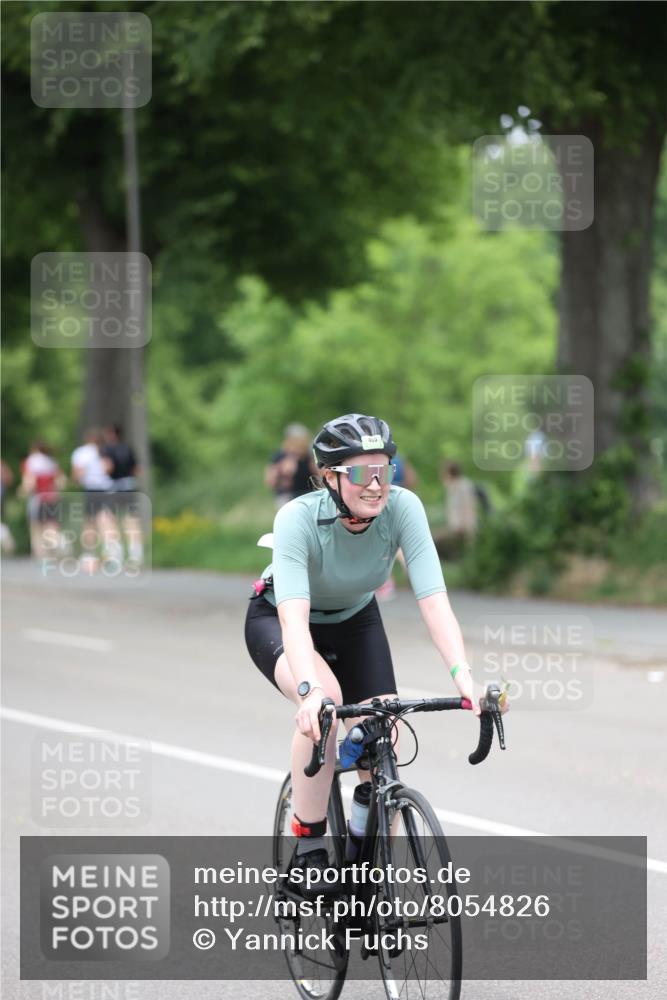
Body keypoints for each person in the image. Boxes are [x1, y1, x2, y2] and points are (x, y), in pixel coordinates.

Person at [245, 414, 490, 890]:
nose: (376, 485)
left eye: (385, 471)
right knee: (327, 705)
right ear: (330, 477)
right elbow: (295, 620)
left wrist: (464, 677)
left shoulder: (405, 508)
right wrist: (309, 691)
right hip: (280, 618)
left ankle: (364, 867)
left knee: (387, 730)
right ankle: (310, 848)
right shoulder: (297, 519)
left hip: (356, 620)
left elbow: (434, 601)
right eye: (361, 473)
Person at [101, 424, 143, 566]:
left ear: (111, 434)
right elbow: (137, 470)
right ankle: (136, 554)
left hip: (115, 487)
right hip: (130, 486)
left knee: (109, 520)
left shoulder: (107, 449)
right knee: (131, 521)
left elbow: (108, 467)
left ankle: (115, 555)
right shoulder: (128, 448)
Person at [19, 442, 66, 559]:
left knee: (36, 526)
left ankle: (40, 554)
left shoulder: (31, 461)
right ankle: (58, 545)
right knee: (51, 524)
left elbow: (30, 481)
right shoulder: (51, 461)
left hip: (37, 497)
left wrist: (23, 491)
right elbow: (61, 480)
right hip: (51, 496)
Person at [264, 423, 316, 508]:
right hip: (287, 495)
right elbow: (270, 481)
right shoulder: (280, 456)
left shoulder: (309, 456)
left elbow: (318, 475)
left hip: (308, 493)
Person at [440, 461, 478, 557]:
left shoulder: (463, 486)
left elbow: (468, 507)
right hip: (456, 526)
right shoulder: (451, 487)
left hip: (464, 526)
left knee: (467, 550)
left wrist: (465, 526)